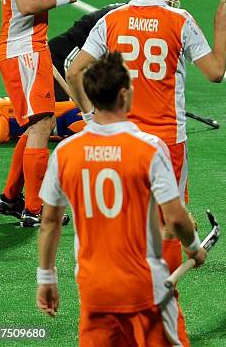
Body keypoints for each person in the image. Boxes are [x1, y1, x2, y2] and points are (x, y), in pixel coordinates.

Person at [66, 0, 226, 272]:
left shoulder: (112, 20)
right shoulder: (180, 21)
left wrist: (91, 119)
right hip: (166, 142)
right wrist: (221, 28)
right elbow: (215, 72)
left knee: (126, 217)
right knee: (171, 221)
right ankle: (162, 301)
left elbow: (73, 72)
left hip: (120, 138)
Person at [36, 52, 205, 346]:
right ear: (124, 95)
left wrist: (46, 278)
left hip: (93, 290)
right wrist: (194, 247)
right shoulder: (148, 148)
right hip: (143, 288)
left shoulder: (65, 152)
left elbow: (49, 221)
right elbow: (176, 217)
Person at [0, 0, 80, 227]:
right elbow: (27, 4)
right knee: (43, 125)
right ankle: (36, 208)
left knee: (35, 126)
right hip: (23, 50)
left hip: (28, 48)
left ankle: (12, 197)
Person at [49, 0, 182, 101]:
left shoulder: (139, 18)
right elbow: (78, 68)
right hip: (65, 59)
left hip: (85, 64)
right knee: (78, 116)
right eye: (166, 1)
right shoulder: (126, 19)